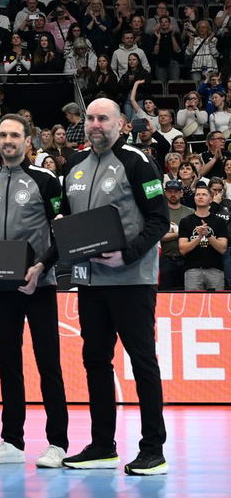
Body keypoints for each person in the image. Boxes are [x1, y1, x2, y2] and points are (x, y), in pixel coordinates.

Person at [60, 97, 169, 474]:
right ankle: (103, 446)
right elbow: (67, 215)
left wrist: (129, 255)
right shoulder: (73, 164)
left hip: (131, 281)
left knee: (142, 362)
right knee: (95, 361)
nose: (95, 124)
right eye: (90, 118)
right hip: (91, 281)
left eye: (103, 118)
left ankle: (153, 449)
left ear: (121, 123)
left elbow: (159, 220)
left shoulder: (138, 162)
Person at [0, 113, 69, 468]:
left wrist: (42, 267)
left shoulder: (46, 180)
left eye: (14, 135)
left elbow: (61, 231)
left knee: (48, 364)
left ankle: (58, 443)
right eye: (2, 135)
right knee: (7, 364)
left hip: (39, 284)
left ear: (29, 141)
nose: (7, 141)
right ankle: (12, 441)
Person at [178, 183, 229, 290]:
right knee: (192, 305)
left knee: (216, 305)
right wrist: (199, 237)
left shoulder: (219, 222)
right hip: (192, 270)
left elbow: (222, 248)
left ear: (211, 199)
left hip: (215, 270)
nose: (200, 197)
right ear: (194, 198)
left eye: (204, 195)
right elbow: (182, 249)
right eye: (197, 194)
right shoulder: (185, 221)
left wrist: (208, 235)